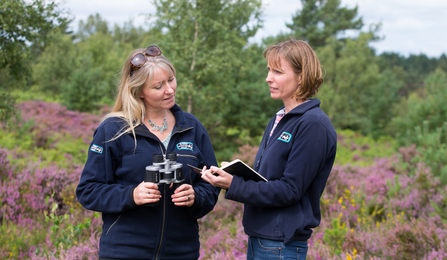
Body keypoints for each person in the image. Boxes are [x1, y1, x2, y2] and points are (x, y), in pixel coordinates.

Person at [76, 45, 219, 260]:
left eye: (171, 80)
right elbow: (88, 190)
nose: (169, 90)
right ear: (139, 91)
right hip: (125, 252)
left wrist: (195, 196)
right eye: (158, 86)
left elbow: (210, 183)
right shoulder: (114, 130)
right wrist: (131, 195)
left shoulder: (192, 126)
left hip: (181, 252)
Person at [201, 39, 337, 260]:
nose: (268, 78)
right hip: (262, 239)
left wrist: (233, 184)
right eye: (268, 70)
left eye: (278, 72)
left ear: (301, 76)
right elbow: (269, 180)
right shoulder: (279, 118)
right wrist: (234, 174)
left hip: (281, 245)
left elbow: (290, 190)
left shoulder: (313, 125)